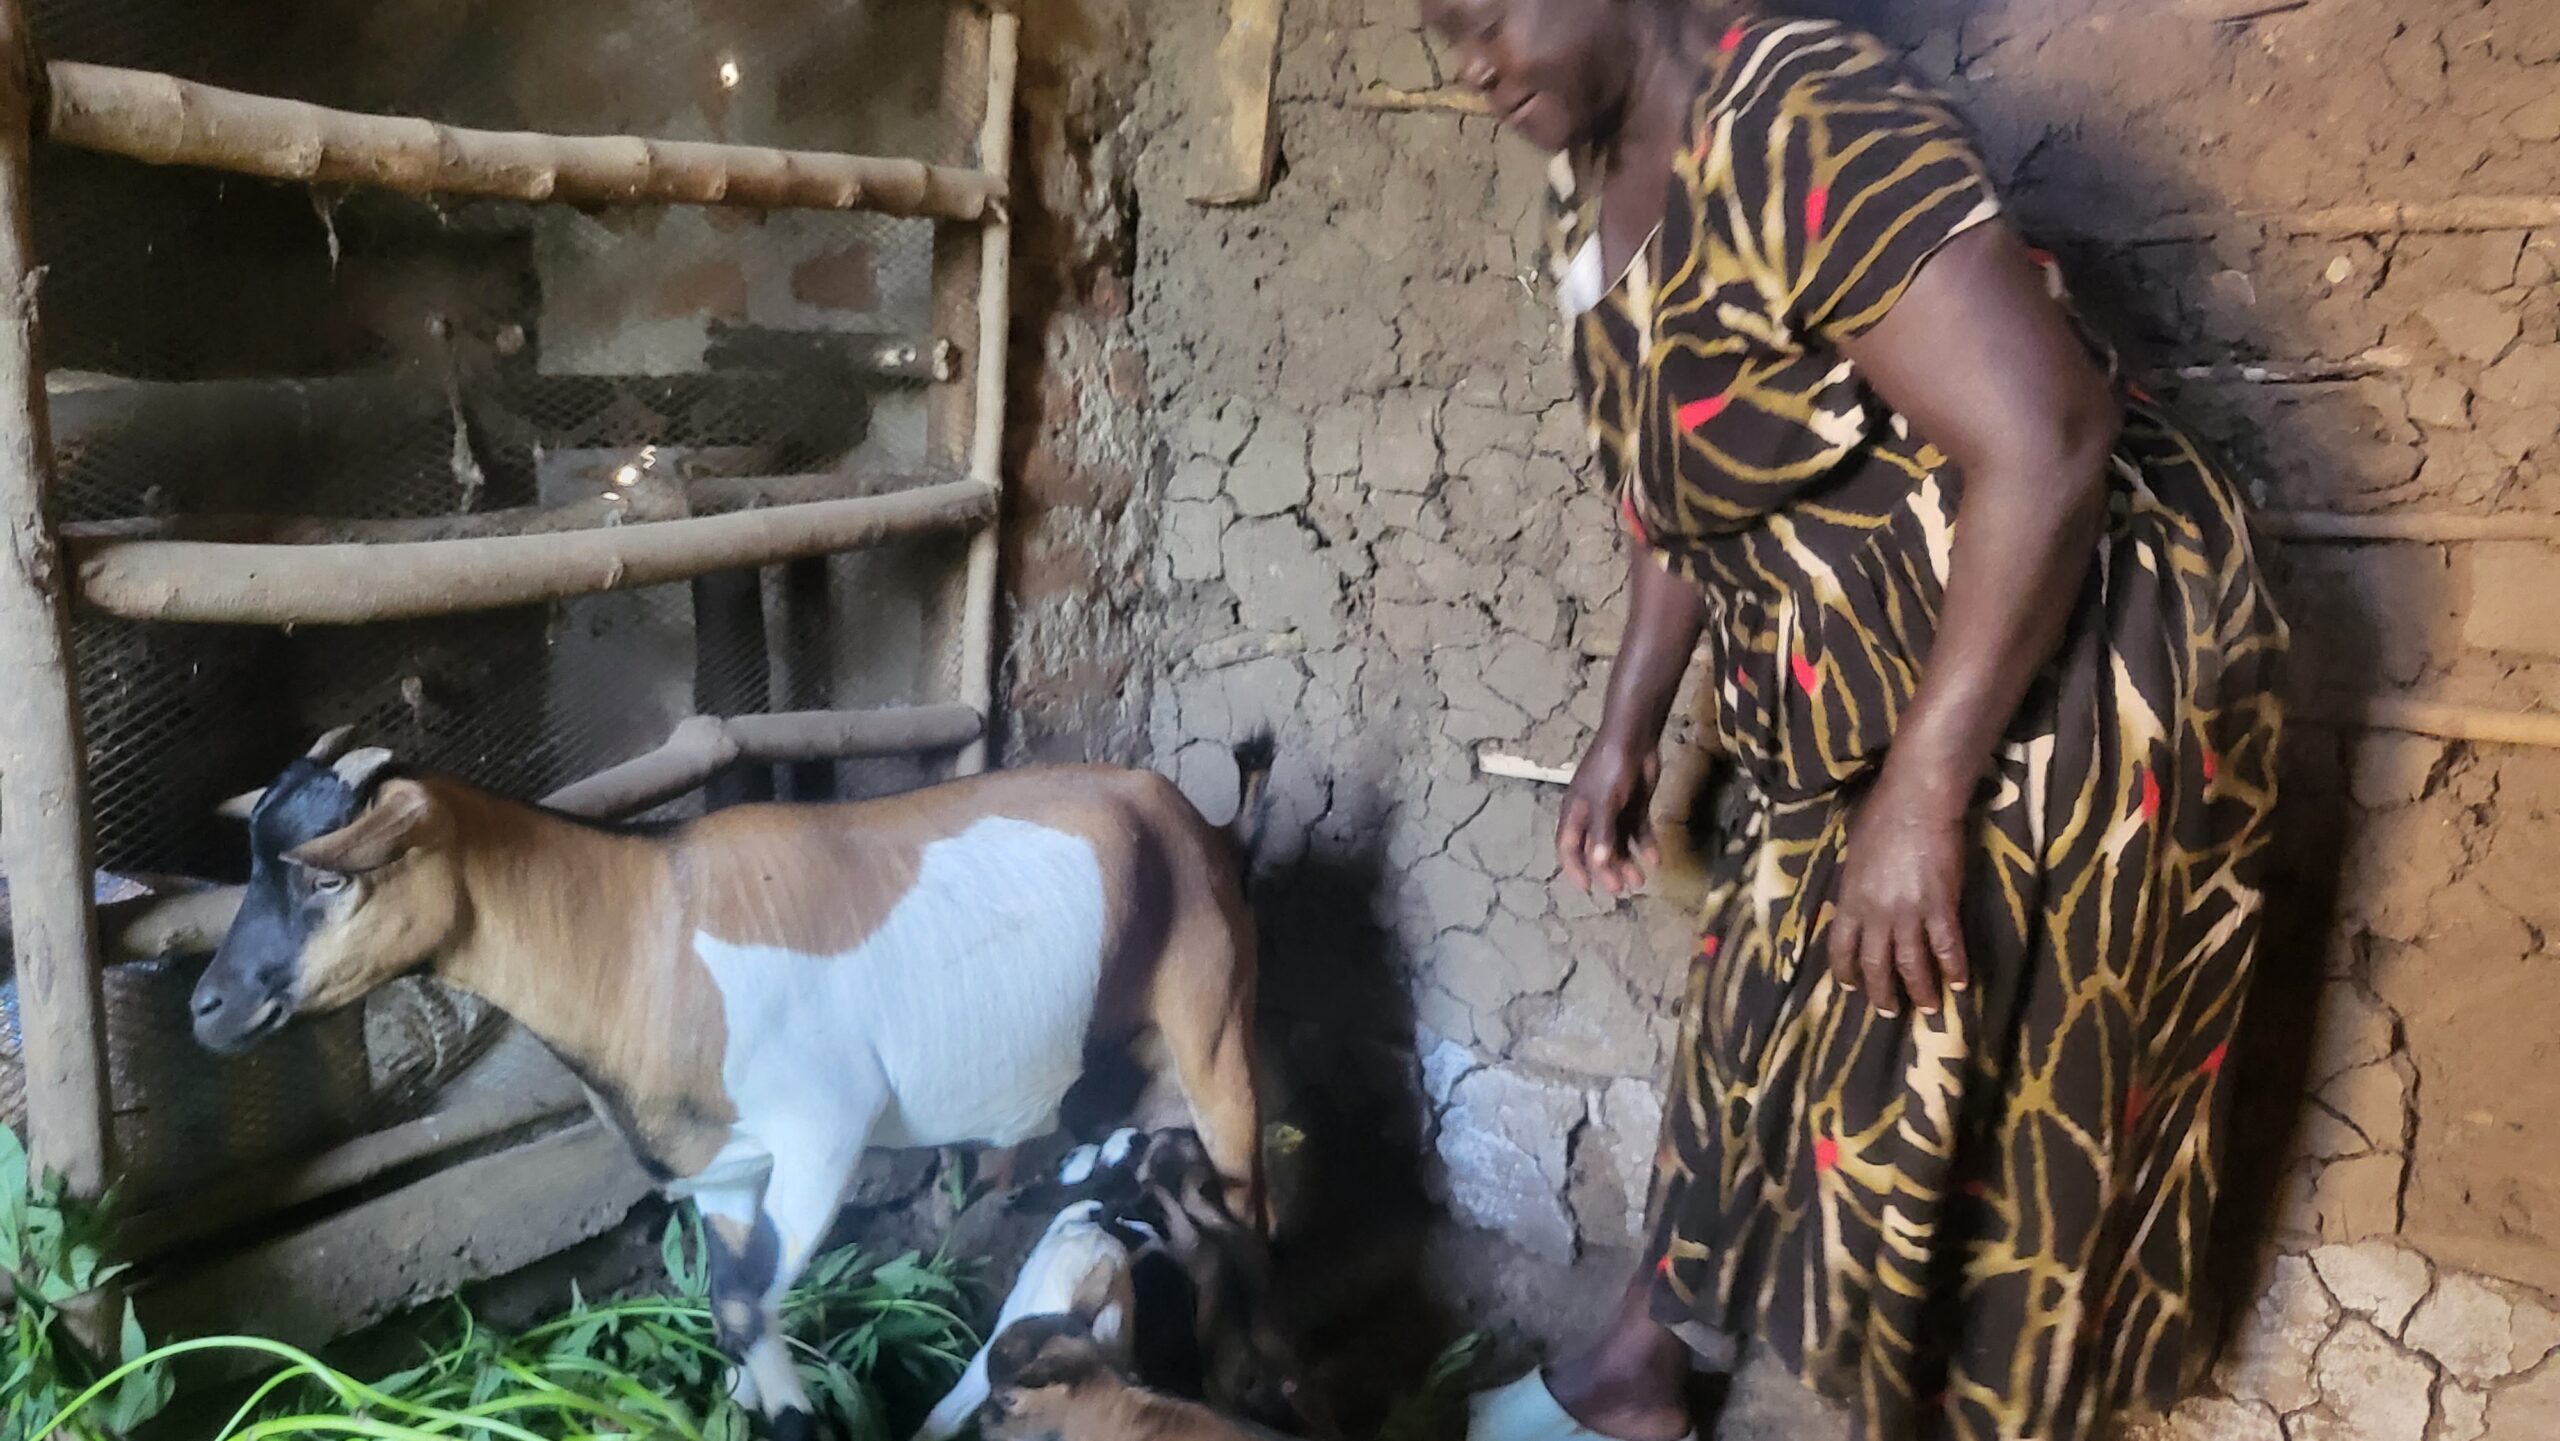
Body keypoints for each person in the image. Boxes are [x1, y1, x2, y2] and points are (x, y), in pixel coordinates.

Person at [1413, 2, 2289, 1440]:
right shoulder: (1596, 177)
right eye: (1438, 31)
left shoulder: (1793, 120)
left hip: (2063, 663)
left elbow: (2048, 439)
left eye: (1487, 13)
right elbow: (1679, 484)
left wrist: (1929, 791)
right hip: (1850, 683)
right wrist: (1630, 722)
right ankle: (1646, 1366)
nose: (1471, 66)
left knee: (1960, 1073)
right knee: (1758, 992)